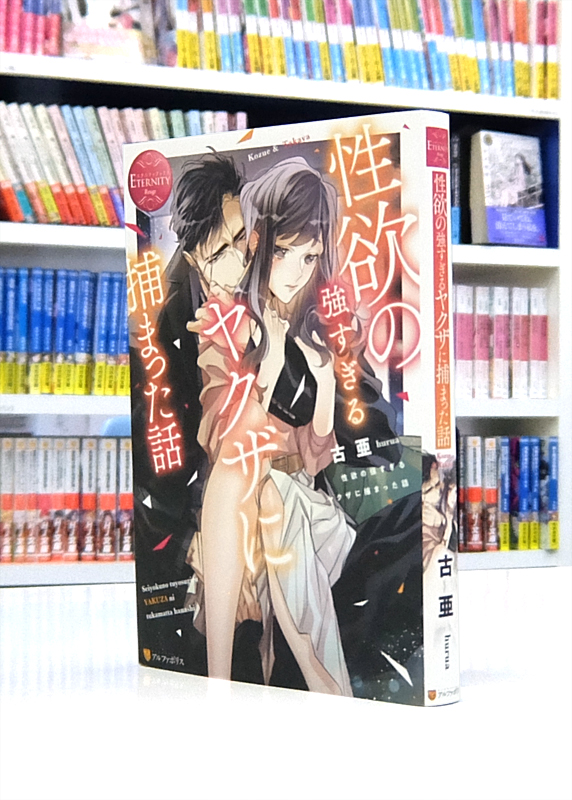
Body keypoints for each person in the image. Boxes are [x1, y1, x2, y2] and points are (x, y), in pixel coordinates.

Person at [186, 157, 357, 696]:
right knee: (258, 491)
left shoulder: (313, 322)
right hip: (249, 505)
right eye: (282, 252)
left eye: (309, 256)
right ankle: (302, 684)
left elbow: (315, 455)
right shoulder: (225, 322)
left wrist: (324, 382)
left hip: (308, 511)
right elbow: (229, 432)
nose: (295, 270)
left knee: (275, 497)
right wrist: (272, 361)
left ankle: (312, 684)